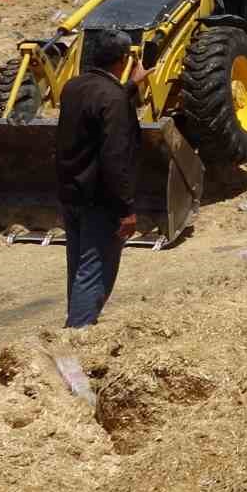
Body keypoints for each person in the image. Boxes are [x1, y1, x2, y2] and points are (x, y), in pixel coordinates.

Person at [55, 29, 146, 328]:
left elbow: (99, 108)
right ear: (122, 60)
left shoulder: (72, 87)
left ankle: (76, 325)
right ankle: (77, 337)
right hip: (100, 200)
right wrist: (126, 208)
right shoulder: (112, 99)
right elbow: (114, 157)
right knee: (95, 271)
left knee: (79, 267)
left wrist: (131, 87)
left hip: (72, 193)